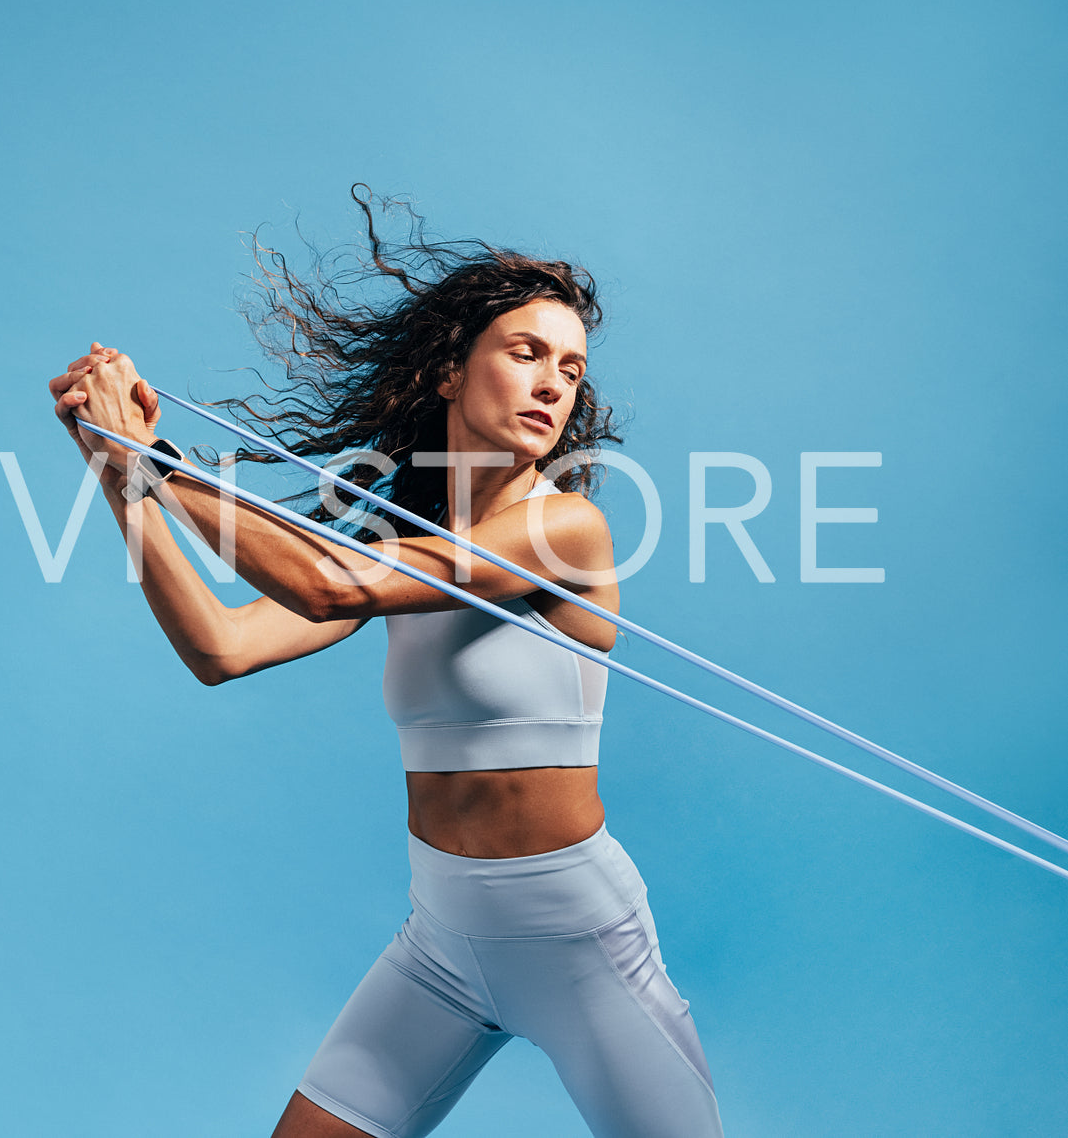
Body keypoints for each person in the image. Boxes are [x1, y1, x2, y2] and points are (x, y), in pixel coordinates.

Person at [48, 191, 722, 1138]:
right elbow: (221, 647)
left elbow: (331, 587)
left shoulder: (562, 526)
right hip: (442, 942)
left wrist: (155, 453)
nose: (550, 385)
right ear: (451, 369)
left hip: (576, 942)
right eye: (525, 353)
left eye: (569, 370)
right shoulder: (390, 534)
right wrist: (119, 476)